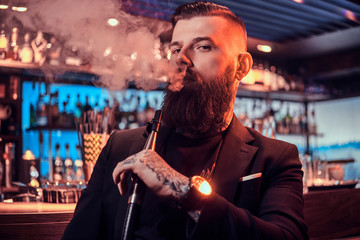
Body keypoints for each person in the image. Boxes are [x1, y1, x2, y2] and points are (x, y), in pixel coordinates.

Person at [62, 1, 308, 239]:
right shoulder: (121, 147)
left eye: (203, 47)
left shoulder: (275, 158)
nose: (181, 59)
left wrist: (181, 190)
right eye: (176, 49)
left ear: (241, 67)